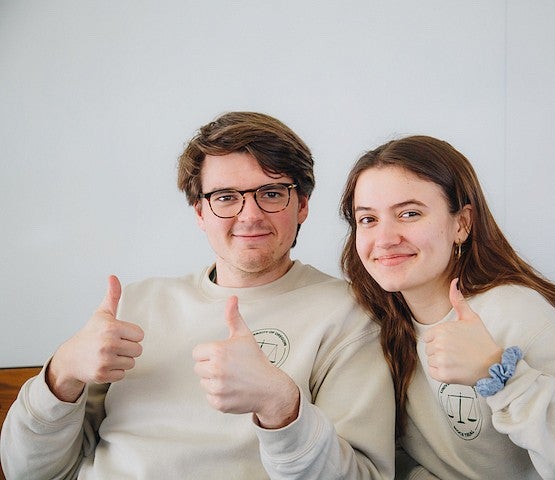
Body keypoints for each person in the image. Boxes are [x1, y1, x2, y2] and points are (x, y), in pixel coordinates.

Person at [1, 112, 395, 479]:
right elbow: (27, 470)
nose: (250, 214)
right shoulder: (134, 304)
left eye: (272, 193)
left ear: (303, 205)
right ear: (199, 213)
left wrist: (280, 406)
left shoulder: (350, 314)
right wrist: (62, 372)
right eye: (225, 197)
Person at [339, 135, 555, 479]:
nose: (385, 238)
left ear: (461, 224)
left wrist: (500, 374)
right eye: (368, 219)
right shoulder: (377, 324)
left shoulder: (516, 313)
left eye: (410, 213)